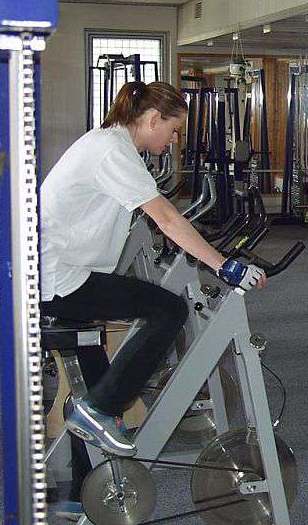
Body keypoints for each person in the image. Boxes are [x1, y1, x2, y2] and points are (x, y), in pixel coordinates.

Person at [40, 81, 266, 519]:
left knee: (100, 373)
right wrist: (223, 266)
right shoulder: (112, 151)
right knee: (167, 309)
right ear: (151, 119)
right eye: (174, 129)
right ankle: (99, 410)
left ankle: (81, 487)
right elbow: (164, 216)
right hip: (60, 280)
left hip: (60, 273)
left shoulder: (111, 145)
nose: (175, 139)